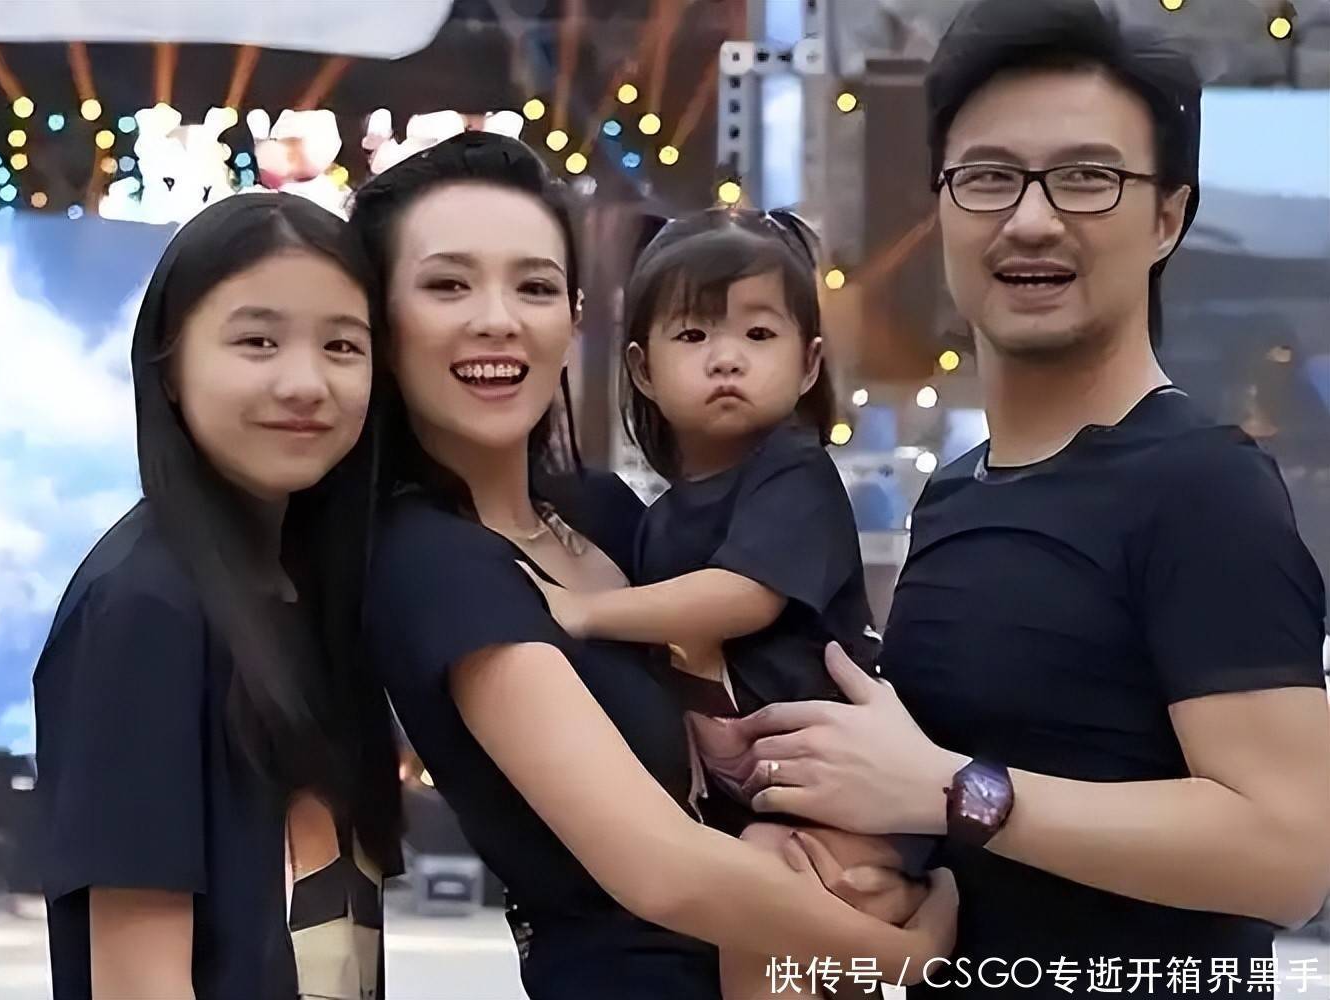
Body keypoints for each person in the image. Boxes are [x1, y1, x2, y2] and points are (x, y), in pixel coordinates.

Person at [728, 0, 1330, 995]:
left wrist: (951, 793)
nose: (1032, 219)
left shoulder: (1201, 485)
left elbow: (1288, 853)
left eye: (1087, 177)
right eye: (988, 177)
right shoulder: (956, 493)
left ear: (1166, 217)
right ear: (940, 205)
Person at [354, 131, 957, 1000]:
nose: (498, 318)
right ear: (382, 322)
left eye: (534, 286)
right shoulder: (430, 560)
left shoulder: (606, 512)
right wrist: (912, 949)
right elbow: (662, 870)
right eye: (448, 284)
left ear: (573, 316)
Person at [521, 207, 939, 995]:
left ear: (809, 364)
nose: (726, 359)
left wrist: (584, 612)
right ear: (642, 370)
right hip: (774, 798)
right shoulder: (660, 517)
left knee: (757, 910)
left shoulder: (795, 475)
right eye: (693, 335)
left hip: (849, 794)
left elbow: (743, 598)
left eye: (758, 334)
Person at [33, 194, 403, 1000]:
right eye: (257, 341)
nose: (305, 382)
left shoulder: (310, 595)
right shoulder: (144, 607)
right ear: (168, 367)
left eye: (343, 345)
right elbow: (139, 983)